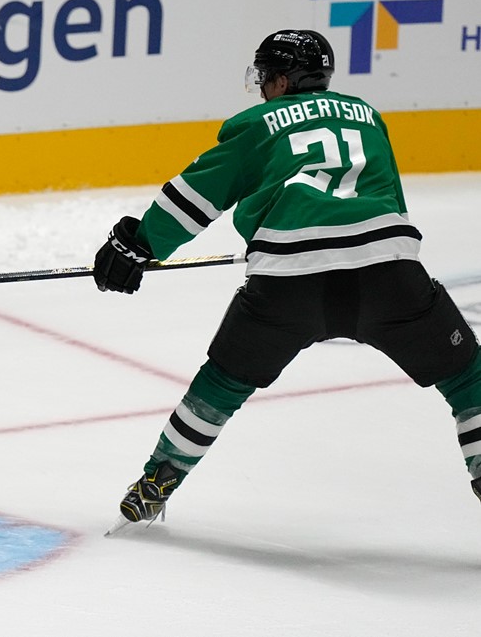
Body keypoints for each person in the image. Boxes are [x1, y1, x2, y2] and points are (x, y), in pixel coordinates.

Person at [92, 30, 481, 532]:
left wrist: (138, 245)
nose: (261, 88)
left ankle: (159, 480)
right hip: (389, 274)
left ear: (279, 78)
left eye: (265, 77)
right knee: (468, 376)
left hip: (288, 286)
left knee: (223, 380)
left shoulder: (258, 124)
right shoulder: (367, 114)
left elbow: (197, 195)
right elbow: (389, 200)